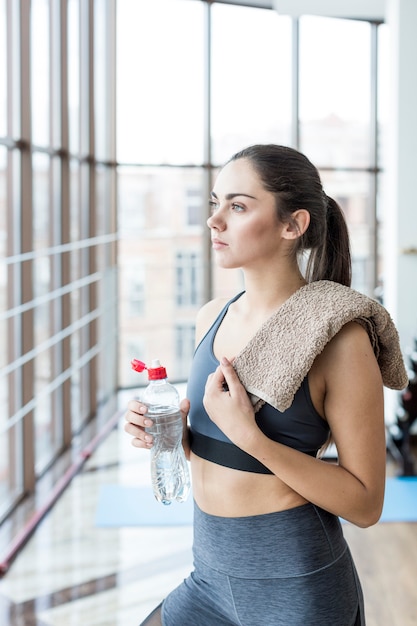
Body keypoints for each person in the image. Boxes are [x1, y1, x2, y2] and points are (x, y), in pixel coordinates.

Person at [125, 144, 407, 626]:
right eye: (215, 203)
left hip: (296, 588)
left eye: (237, 206)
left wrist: (251, 438)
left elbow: (365, 504)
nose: (215, 221)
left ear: (292, 224)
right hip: (209, 574)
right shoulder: (210, 318)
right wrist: (171, 434)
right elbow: (220, 454)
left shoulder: (340, 338)